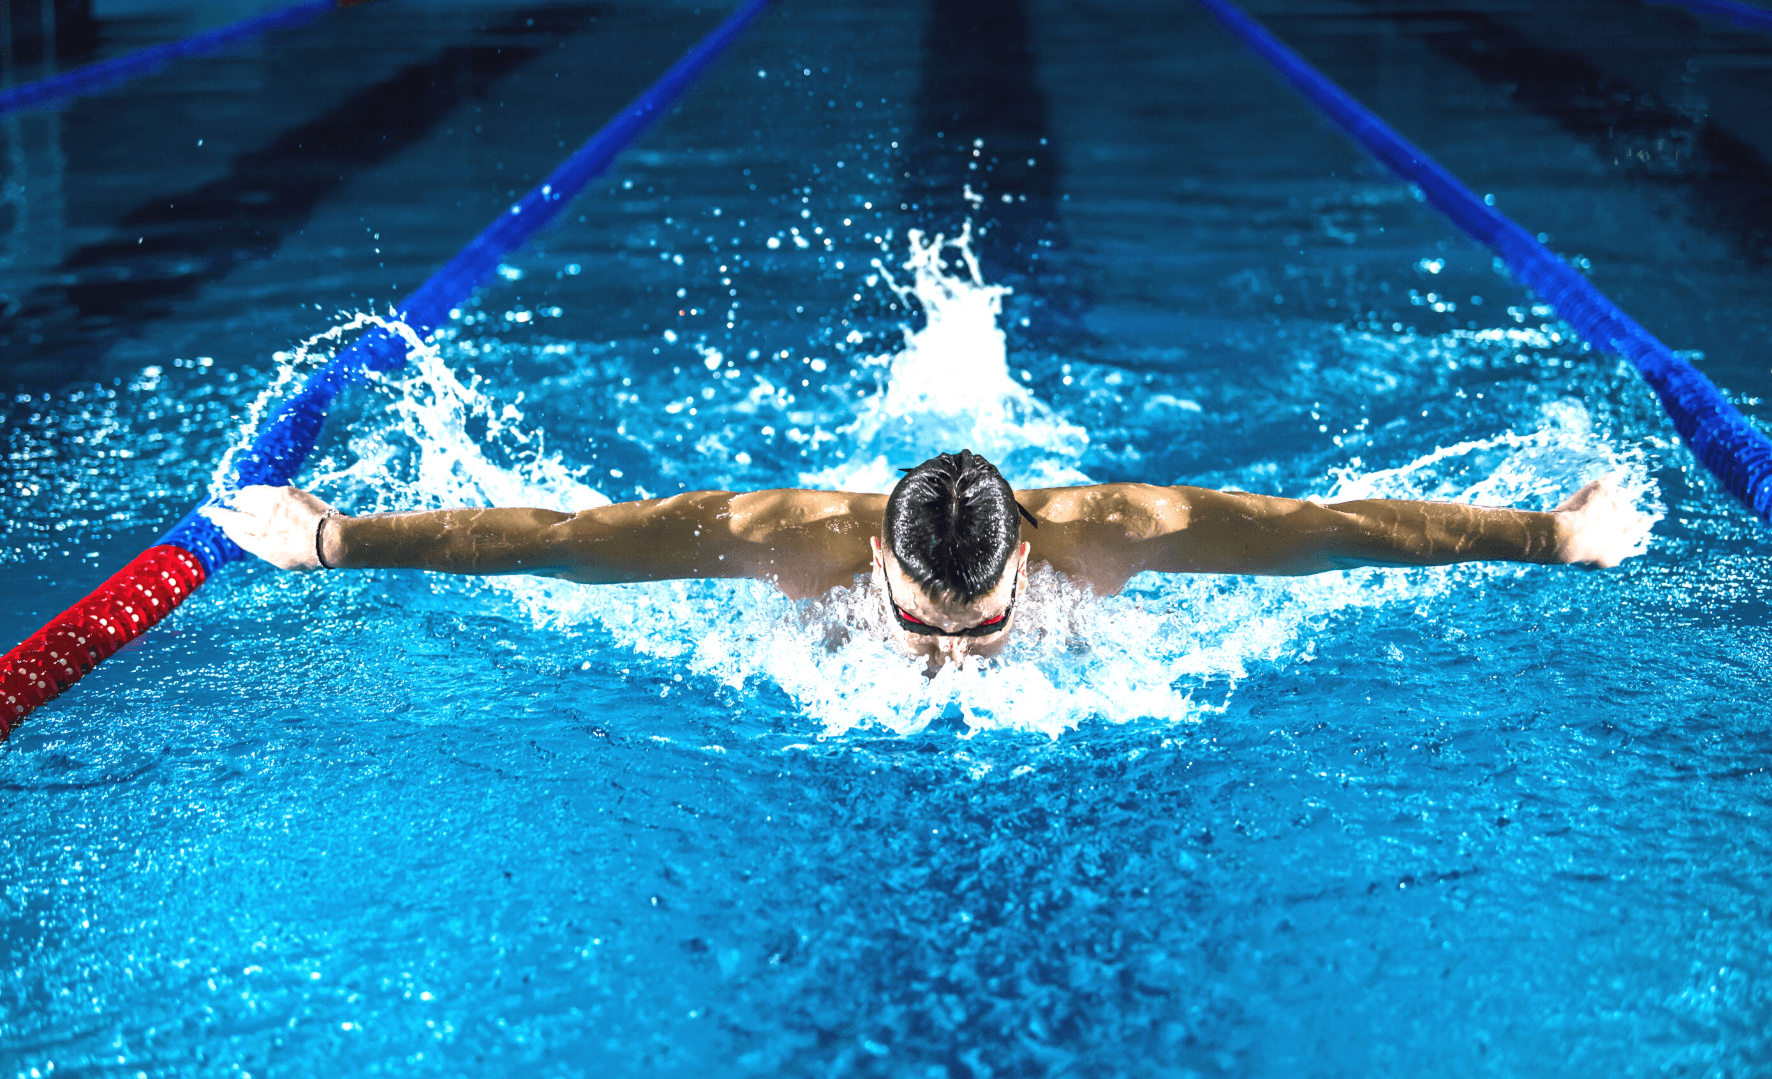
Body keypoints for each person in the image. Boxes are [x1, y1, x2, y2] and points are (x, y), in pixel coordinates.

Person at [204, 449, 1653, 668]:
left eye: (976, 629)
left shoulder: (1120, 533)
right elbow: (573, 547)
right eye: (921, 623)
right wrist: (335, 538)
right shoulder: (790, 543)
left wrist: (1550, 534)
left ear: (1028, 550)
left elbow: (1332, 533)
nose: (948, 660)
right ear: (881, 566)